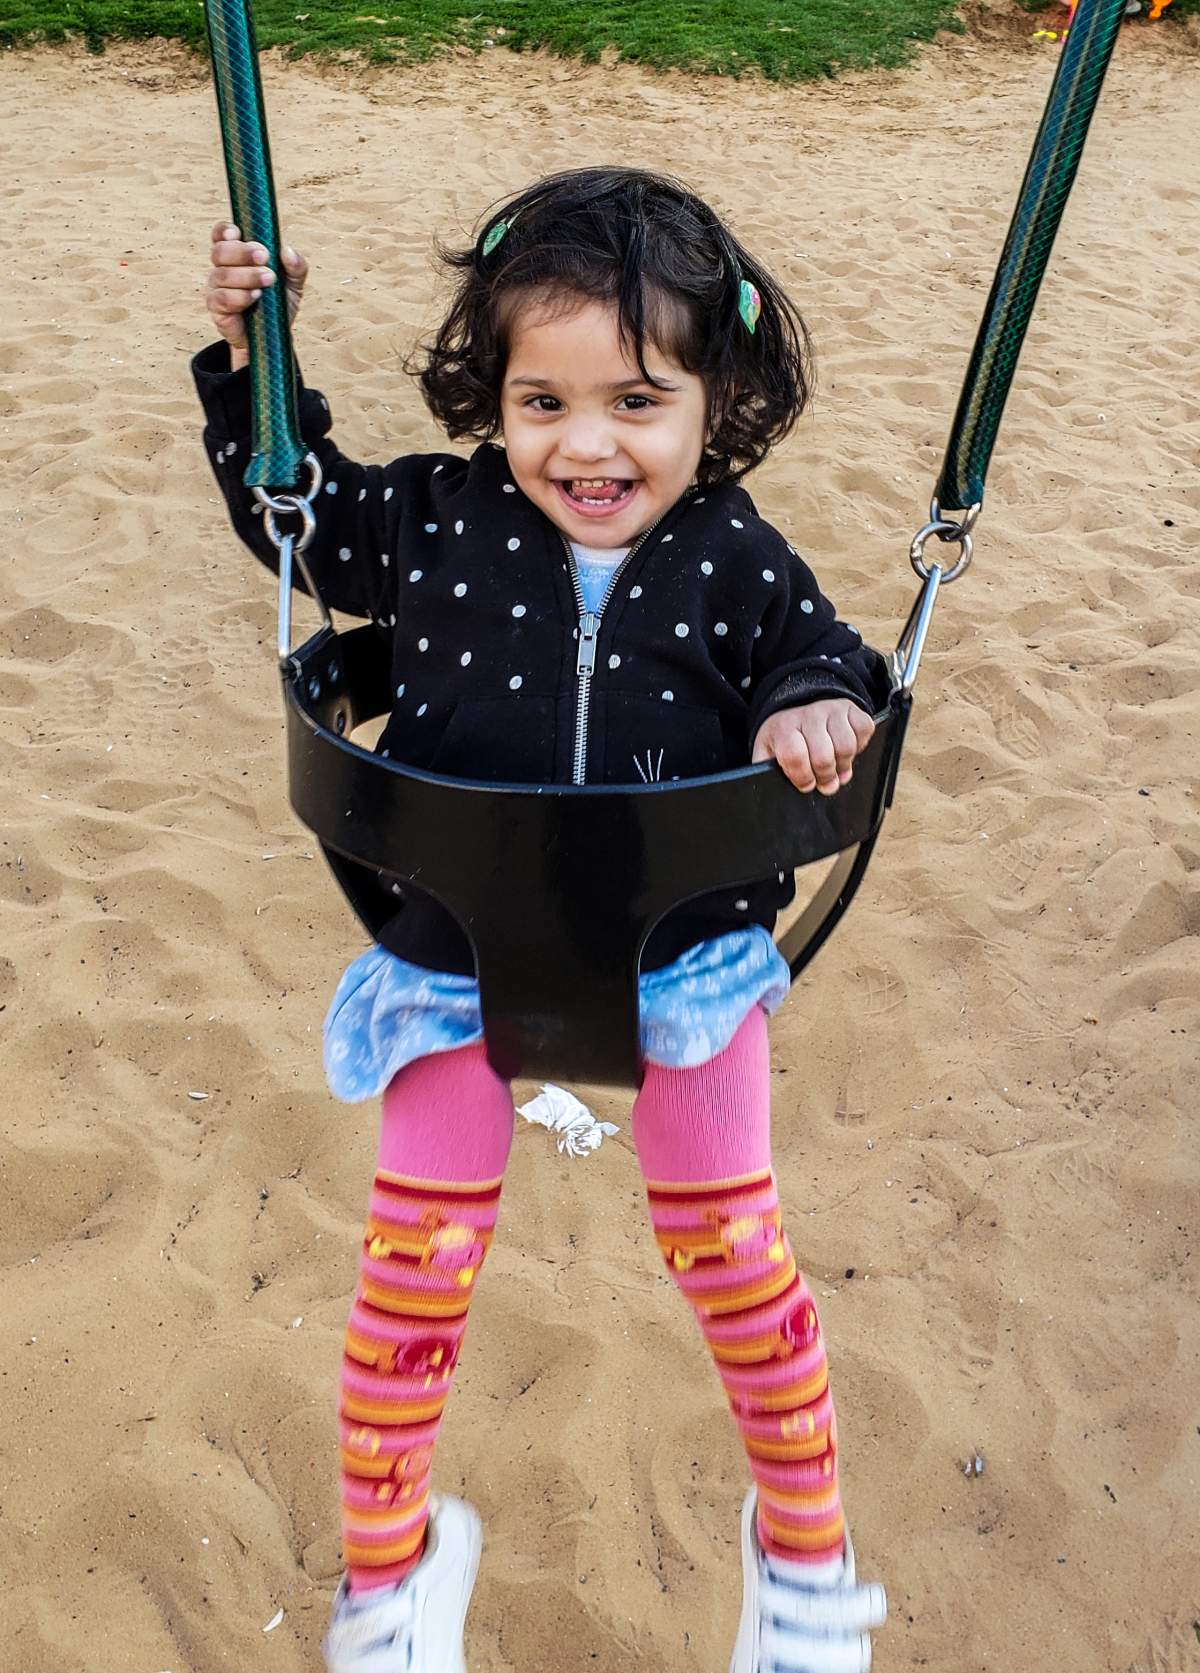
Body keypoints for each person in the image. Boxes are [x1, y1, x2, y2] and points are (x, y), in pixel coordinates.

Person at [194, 167, 889, 1673]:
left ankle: (807, 1564)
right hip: (457, 949)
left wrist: (816, 709)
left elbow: (815, 659)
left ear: (716, 402)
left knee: (738, 1261)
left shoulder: (736, 554)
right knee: (411, 1269)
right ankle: (390, 1580)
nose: (586, 444)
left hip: (684, 958)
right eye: (540, 399)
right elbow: (294, 515)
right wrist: (261, 370)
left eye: (639, 400)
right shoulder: (432, 523)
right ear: (491, 396)